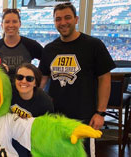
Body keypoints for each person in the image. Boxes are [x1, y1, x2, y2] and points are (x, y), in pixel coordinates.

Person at [38, 3, 116, 156]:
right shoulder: (49, 49)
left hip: (84, 116)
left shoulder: (93, 45)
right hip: (56, 116)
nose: (63, 22)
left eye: (67, 17)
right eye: (58, 19)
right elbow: (42, 80)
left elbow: (105, 79)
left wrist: (100, 113)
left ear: (76, 19)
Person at [0, 8, 43, 81]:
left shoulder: (31, 45)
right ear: (2, 25)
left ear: (20, 24)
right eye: (7, 22)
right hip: (2, 90)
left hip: (24, 90)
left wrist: (36, 77)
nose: (11, 25)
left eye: (14, 21)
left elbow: (46, 61)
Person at [11, 63, 54, 156]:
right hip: (10, 136)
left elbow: (46, 131)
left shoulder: (44, 102)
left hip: (32, 138)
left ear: (35, 83)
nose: (23, 81)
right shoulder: (8, 92)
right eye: (20, 77)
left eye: (29, 79)